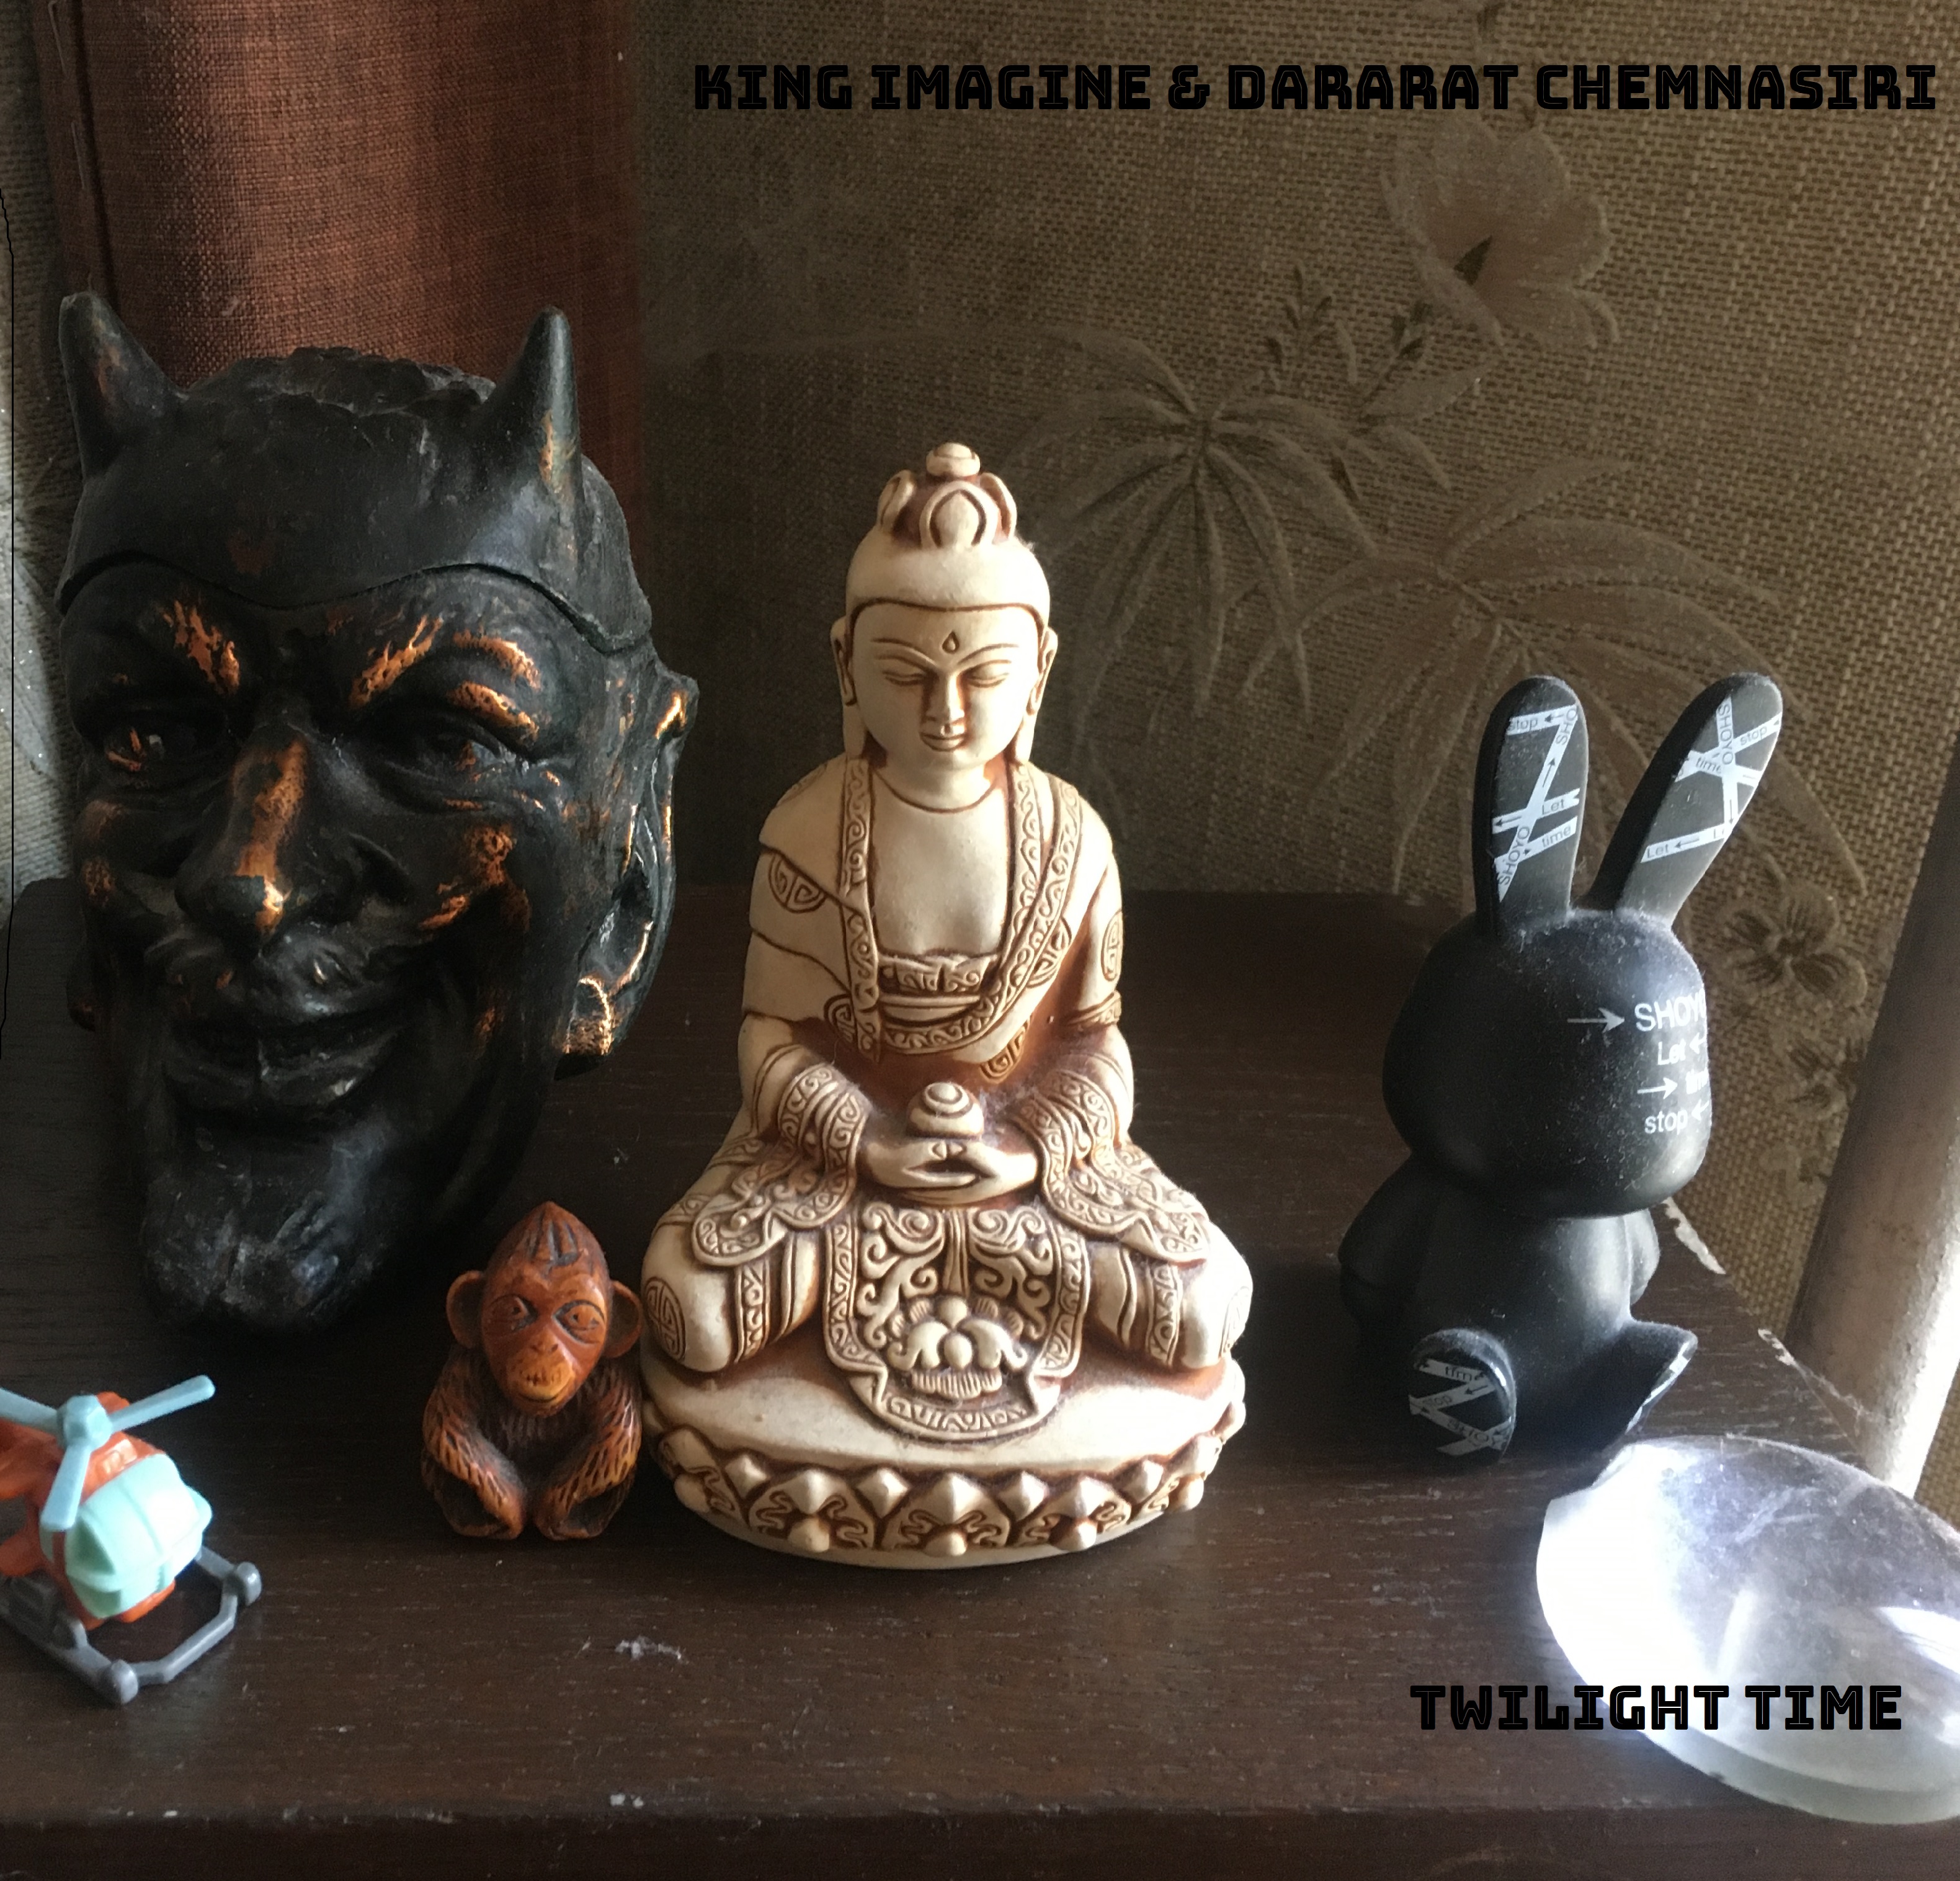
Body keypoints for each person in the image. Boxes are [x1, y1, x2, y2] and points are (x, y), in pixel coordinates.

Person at [643, 444, 1250, 1443]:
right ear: (846, 663)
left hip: (1033, 1179)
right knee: (694, 1312)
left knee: (1200, 1308)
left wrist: (1024, 1147)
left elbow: (1095, 1044)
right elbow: (771, 1042)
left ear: (1039, 671)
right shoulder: (807, 831)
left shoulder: (1075, 840)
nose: (948, 712)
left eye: (985, 675)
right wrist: (868, 1140)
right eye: (907, 674)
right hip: (839, 1172)